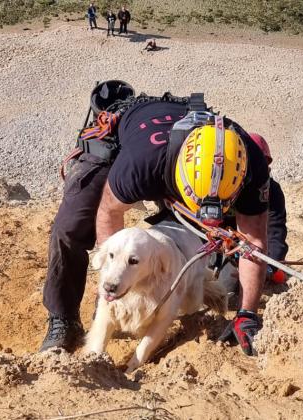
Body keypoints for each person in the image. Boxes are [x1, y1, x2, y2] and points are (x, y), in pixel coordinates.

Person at [40, 87, 270, 357]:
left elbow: (253, 242)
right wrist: (111, 286)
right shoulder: (141, 168)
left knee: (205, 227)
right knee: (70, 226)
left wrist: (247, 314)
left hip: (181, 160)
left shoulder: (251, 163)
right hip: (128, 140)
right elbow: (108, 213)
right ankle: (63, 318)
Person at [216, 133, 288, 308]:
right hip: (221, 247)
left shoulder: (272, 191)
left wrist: (269, 264)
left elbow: (275, 230)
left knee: (275, 276)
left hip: (249, 250)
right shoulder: (220, 185)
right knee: (221, 287)